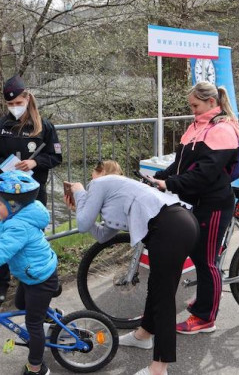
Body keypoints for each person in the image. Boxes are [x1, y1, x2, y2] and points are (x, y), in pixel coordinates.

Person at [65, 160, 198, 375]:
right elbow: (100, 234)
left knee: (163, 298)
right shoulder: (116, 198)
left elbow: (81, 223)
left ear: (98, 173)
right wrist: (80, 208)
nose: (89, 187)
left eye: (91, 177)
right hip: (174, 226)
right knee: (155, 288)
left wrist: (79, 191)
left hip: (171, 227)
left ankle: (159, 369)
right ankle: (143, 336)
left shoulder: (100, 183)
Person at [147, 81, 239, 336]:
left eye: (195, 106)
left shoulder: (222, 129)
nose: (192, 111)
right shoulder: (198, 126)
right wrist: (157, 178)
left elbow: (203, 174)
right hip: (197, 202)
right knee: (198, 256)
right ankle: (201, 303)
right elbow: (180, 165)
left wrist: (169, 184)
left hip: (214, 204)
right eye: (191, 106)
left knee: (207, 260)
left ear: (212, 102)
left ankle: (205, 318)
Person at [0, 170, 59, 375]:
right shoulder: (15, 219)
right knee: (22, 304)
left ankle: (36, 367)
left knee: (33, 325)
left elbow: (0, 252)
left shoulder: (19, 227)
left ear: (12, 206)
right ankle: (51, 316)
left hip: (40, 278)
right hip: (32, 275)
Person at [0, 74, 63, 304]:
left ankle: (40, 279)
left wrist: (36, 162)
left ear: (26, 98)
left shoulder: (44, 127)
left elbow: (56, 156)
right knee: (2, 237)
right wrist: (4, 167)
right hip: (4, 196)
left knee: (33, 238)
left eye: (18, 103)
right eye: (10, 104)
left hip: (33, 194)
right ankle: (1, 283)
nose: (15, 107)